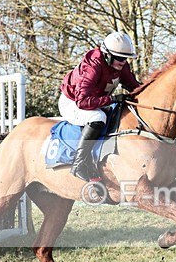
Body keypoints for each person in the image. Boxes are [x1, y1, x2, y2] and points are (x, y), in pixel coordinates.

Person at [59, 31, 141, 181]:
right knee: (99, 117)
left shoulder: (121, 65)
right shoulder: (93, 66)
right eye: (119, 58)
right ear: (107, 54)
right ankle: (79, 164)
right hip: (72, 102)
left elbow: (135, 88)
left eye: (126, 58)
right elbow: (82, 101)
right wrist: (112, 99)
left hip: (93, 101)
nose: (123, 62)